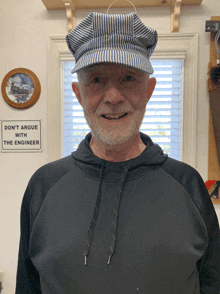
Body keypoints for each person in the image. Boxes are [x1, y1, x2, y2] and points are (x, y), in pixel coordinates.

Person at [15, 12, 220, 294]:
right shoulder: (44, 186)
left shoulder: (188, 185)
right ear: (79, 94)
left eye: (128, 77)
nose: (113, 97)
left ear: (148, 91)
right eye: (96, 79)